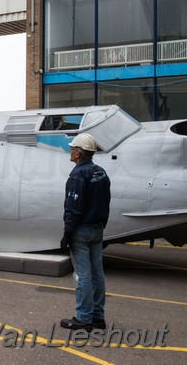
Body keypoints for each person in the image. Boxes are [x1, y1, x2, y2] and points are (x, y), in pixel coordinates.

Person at [60, 133, 111, 331]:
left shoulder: (77, 175)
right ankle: (98, 317)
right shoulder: (101, 172)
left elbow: (74, 207)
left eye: (73, 148)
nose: (70, 151)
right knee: (98, 273)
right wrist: (102, 225)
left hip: (81, 231)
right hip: (97, 229)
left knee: (83, 275)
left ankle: (83, 318)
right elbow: (106, 201)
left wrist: (67, 232)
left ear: (79, 153)